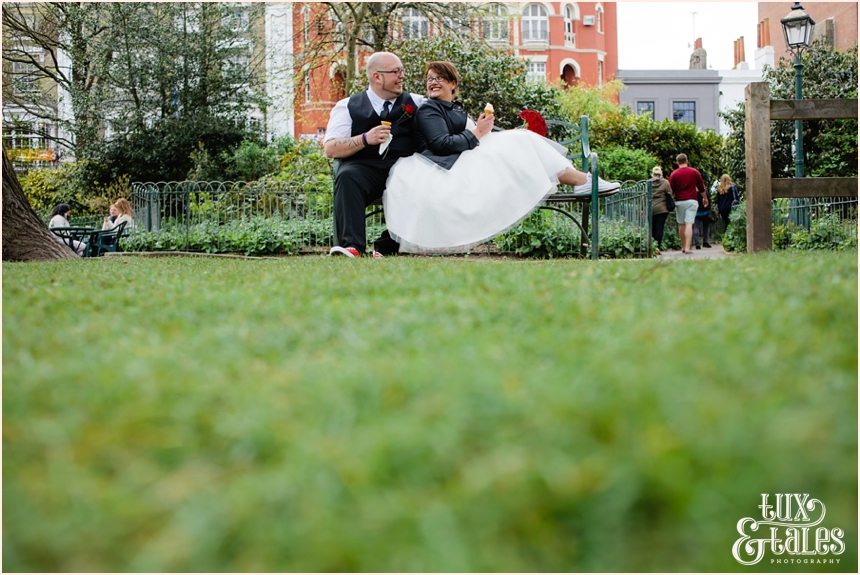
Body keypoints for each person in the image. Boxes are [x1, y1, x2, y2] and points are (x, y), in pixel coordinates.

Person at [382, 61, 620, 253]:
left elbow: (473, 137)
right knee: (520, 141)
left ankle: (582, 180)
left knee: (520, 139)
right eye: (429, 79)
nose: (432, 83)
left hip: (461, 161)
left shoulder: (454, 108)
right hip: (442, 167)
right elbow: (441, 144)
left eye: (439, 78)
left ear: (452, 83)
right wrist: (478, 131)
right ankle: (582, 181)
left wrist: (483, 131)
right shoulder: (429, 109)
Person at [323, 51, 426, 258]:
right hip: (364, 171)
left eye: (402, 71)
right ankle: (352, 246)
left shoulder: (417, 102)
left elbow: (445, 120)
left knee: (422, 180)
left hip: (403, 171)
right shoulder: (346, 106)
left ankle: (387, 246)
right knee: (347, 175)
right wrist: (364, 139)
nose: (401, 76)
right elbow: (330, 148)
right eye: (396, 72)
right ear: (377, 77)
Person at [668, 153, 707, 254]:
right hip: (692, 201)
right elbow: (701, 187)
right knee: (689, 223)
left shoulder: (674, 174)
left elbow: (671, 191)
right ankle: (688, 248)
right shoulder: (694, 172)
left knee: (681, 224)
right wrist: (705, 198)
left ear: (677, 162)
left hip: (679, 202)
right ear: (687, 161)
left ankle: (682, 246)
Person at [649, 166, 673, 249]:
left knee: (652, 228)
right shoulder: (665, 182)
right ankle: (657, 247)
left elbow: (643, 196)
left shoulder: (647, 183)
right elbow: (670, 193)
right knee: (660, 228)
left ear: (652, 174)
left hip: (650, 209)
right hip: (662, 209)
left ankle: (652, 246)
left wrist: (642, 210)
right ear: (661, 173)